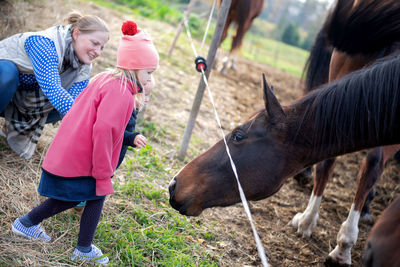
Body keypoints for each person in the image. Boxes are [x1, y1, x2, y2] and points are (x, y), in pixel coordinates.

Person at [11, 20, 159, 264]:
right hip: (84, 157)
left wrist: (129, 138)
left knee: (82, 197)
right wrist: (102, 171)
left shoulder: (107, 79)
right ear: (134, 67)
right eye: (149, 72)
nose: (150, 78)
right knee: (80, 197)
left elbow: (102, 124)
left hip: (73, 150)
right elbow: (103, 130)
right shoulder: (122, 93)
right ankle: (65, 240)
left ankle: (43, 230)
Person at [0, 11, 109, 159]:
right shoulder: (45, 44)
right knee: (7, 74)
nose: (97, 52)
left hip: (22, 95)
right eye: (94, 43)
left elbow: (75, 105)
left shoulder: (84, 67)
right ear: (76, 34)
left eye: (102, 47)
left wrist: (96, 133)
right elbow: (52, 89)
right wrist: (90, 125)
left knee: (70, 106)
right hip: (6, 84)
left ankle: (11, 125)